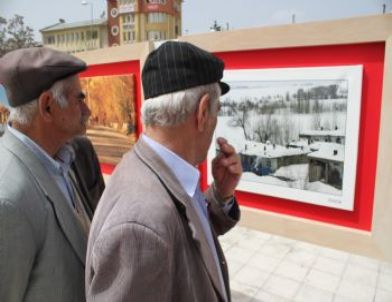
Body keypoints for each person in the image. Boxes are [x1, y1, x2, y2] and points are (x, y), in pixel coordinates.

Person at [85, 41, 243, 302]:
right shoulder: (141, 226)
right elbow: (161, 228)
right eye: (217, 110)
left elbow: (185, 235)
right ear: (203, 111)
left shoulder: (158, 168)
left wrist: (221, 196)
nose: (216, 121)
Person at [0, 47, 95, 301]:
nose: (87, 111)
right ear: (47, 106)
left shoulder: (60, 158)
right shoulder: (8, 200)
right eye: (79, 99)